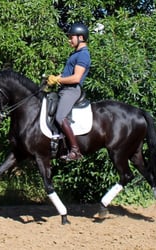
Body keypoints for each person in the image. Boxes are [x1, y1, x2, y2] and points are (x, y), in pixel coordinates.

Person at [47, 23, 91, 161]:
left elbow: (76, 78)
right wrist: (57, 77)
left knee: (60, 117)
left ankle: (75, 150)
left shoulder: (83, 55)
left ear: (80, 37)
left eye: (71, 37)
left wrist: (58, 80)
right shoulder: (75, 54)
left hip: (71, 91)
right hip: (65, 89)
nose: (69, 40)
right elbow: (68, 74)